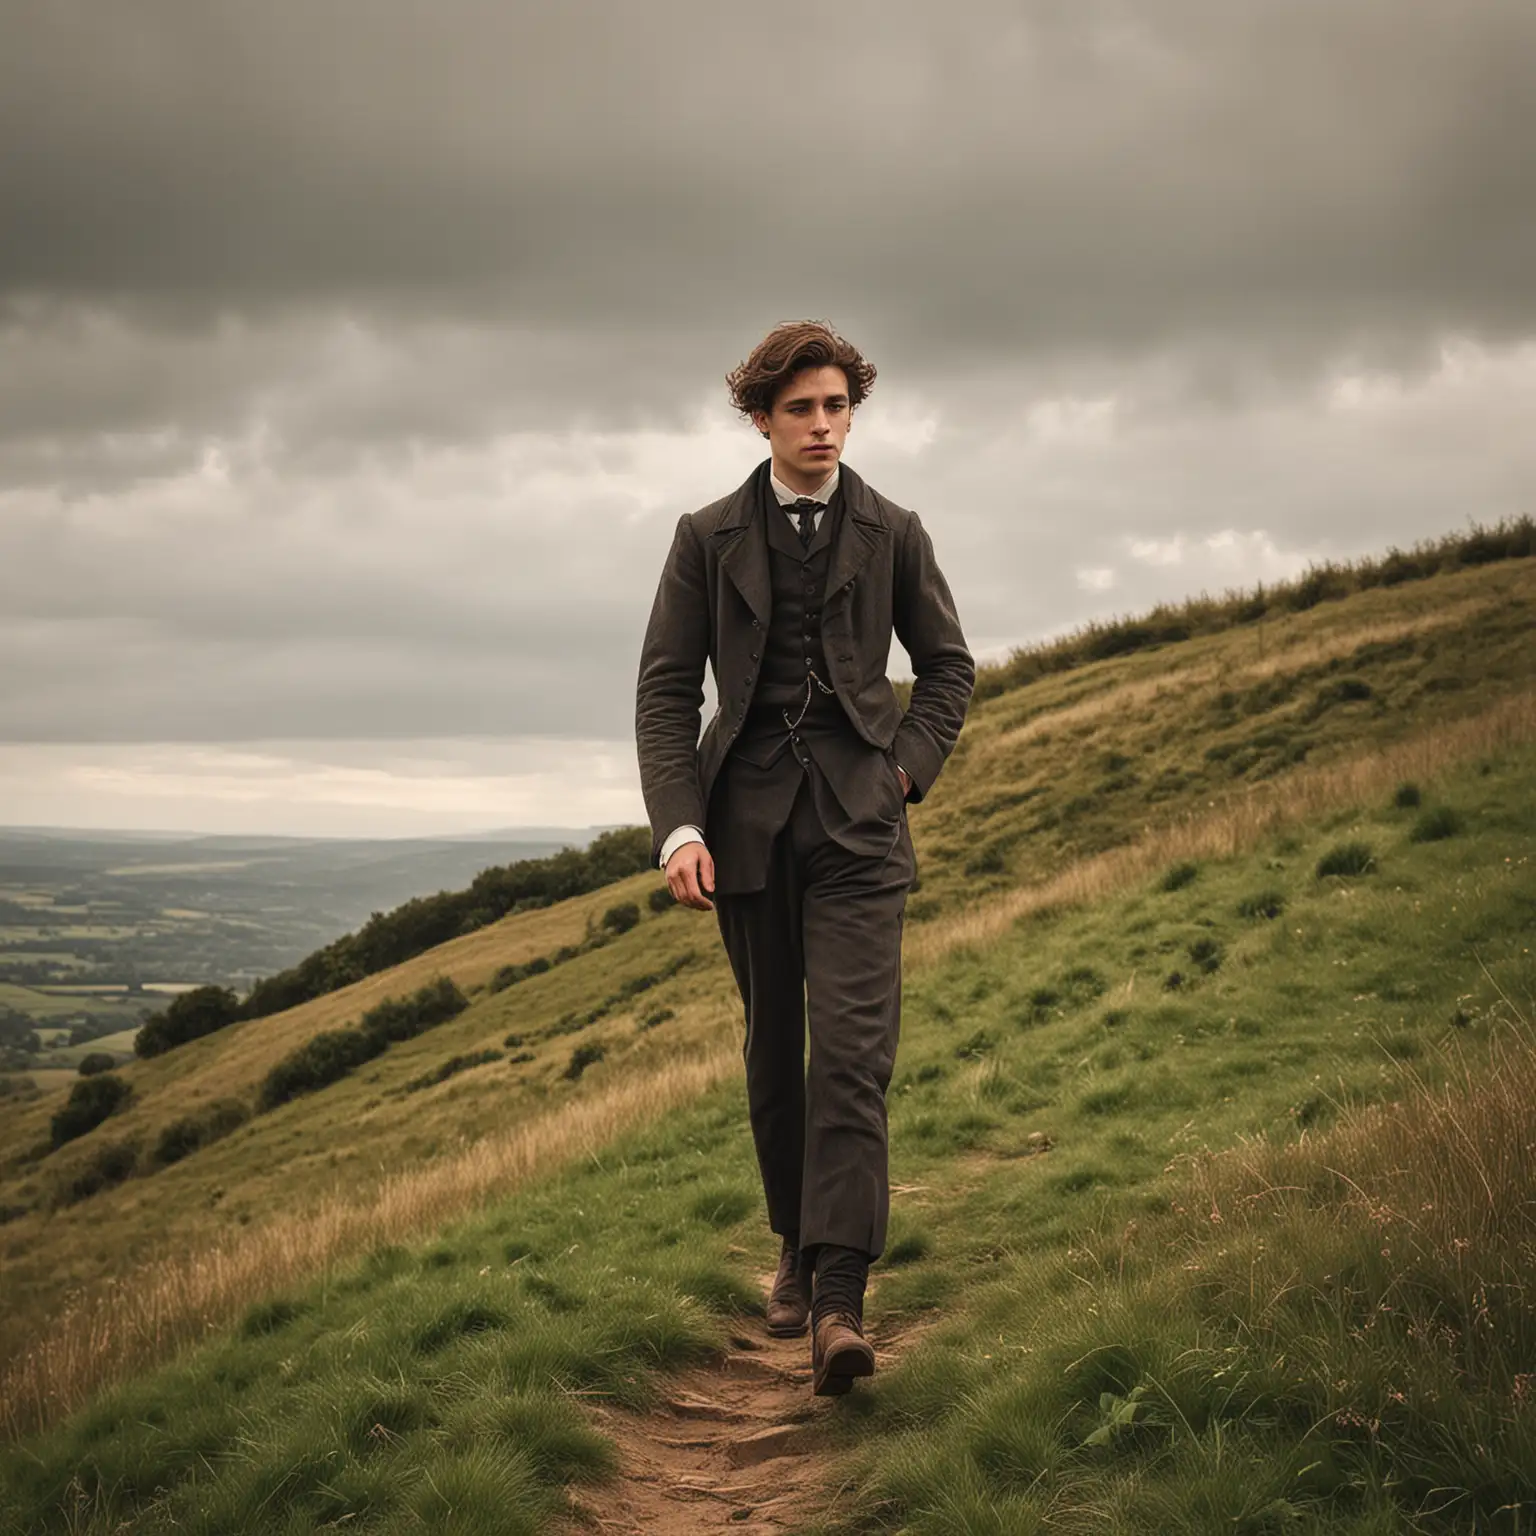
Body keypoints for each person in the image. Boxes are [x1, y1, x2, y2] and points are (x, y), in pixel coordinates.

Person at [635, 319, 974, 1396]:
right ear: (761, 418)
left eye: (838, 407)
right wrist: (679, 825)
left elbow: (949, 668)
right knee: (776, 1052)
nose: (824, 427)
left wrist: (905, 771)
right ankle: (791, 1242)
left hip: (862, 827)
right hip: (743, 828)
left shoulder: (896, 530)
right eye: (802, 409)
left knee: (854, 1059)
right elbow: (664, 691)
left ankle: (838, 1298)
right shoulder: (704, 536)